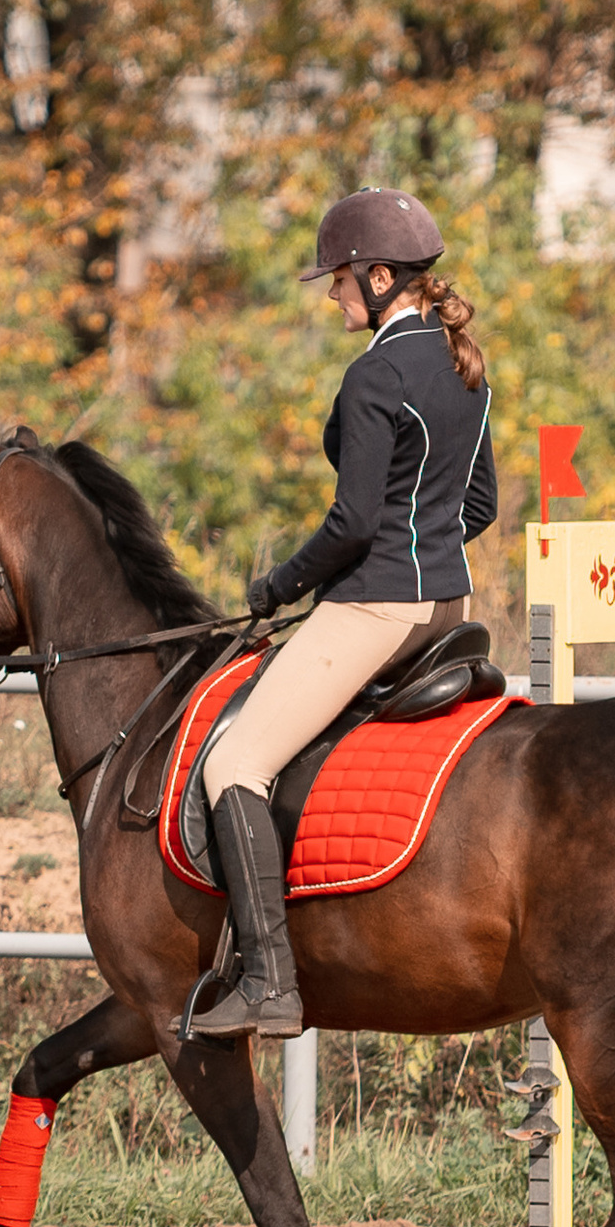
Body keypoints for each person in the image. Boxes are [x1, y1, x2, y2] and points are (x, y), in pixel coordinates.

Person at [191, 187, 498, 1039]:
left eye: (337, 281)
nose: (331, 296)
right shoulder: (462, 363)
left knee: (235, 762)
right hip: (448, 604)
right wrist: (424, 543)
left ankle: (270, 983)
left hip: (378, 606)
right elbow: (479, 505)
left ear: (379, 276)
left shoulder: (375, 374)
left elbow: (354, 523)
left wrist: (276, 587)